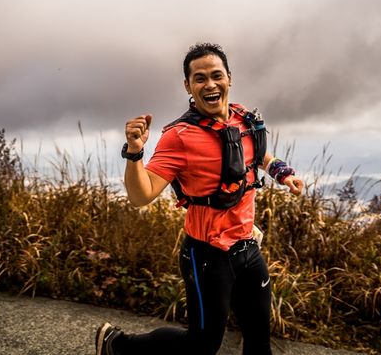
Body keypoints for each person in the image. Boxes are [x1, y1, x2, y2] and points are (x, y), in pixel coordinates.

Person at [96, 43, 304, 355]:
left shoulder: (244, 121)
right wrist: (135, 152)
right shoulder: (178, 136)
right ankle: (117, 345)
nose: (210, 84)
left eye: (216, 76)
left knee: (259, 339)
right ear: (188, 86)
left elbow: (259, 157)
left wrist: (284, 173)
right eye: (200, 78)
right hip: (207, 255)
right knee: (202, 345)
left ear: (229, 79)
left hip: (248, 247)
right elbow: (141, 195)